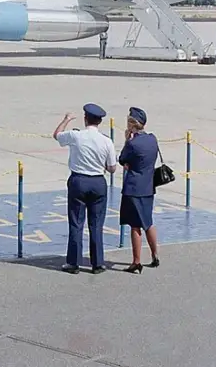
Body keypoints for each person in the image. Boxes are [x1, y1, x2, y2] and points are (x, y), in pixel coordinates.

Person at [53, 104, 118, 274]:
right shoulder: (106, 141)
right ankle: (98, 263)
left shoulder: (77, 136)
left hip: (79, 180)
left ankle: (73, 262)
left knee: (76, 223)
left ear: (85, 119)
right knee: (96, 224)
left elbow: (57, 135)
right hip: (98, 182)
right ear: (99, 121)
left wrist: (66, 120)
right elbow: (112, 168)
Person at [119, 107, 161, 273]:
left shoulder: (133, 144)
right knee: (148, 222)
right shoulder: (152, 139)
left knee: (135, 226)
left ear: (132, 124)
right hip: (148, 187)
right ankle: (155, 254)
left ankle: (136, 261)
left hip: (133, 188)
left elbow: (122, 159)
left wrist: (126, 141)